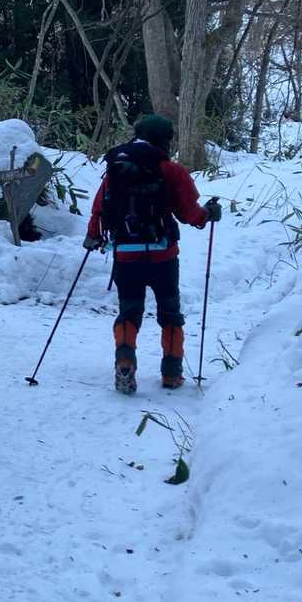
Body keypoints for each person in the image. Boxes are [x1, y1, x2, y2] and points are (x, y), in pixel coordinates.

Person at [83, 114, 221, 394]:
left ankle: (124, 361)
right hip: (163, 256)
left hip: (125, 255)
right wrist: (209, 213)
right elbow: (190, 215)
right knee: (170, 313)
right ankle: (171, 374)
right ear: (165, 140)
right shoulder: (172, 171)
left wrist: (93, 236)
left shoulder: (116, 168)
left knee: (129, 311)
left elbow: (99, 207)